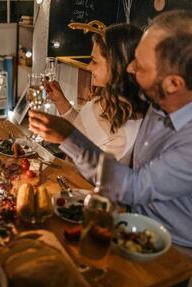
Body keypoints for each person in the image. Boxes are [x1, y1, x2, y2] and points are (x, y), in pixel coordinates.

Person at [29, 10, 192, 252]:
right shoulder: (156, 100)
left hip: (172, 247)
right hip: (129, 222)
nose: (129, 69)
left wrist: (68, 137)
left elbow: (132, 187)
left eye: (141, 65)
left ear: (173, 84)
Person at [45, 23, 147, 162]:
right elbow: (83, 131)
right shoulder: (106, 96)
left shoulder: (125, 133)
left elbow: (93, 177)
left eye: (94, 61)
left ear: (116, 66)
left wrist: (63, 137)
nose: (88, 66)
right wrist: (60, 101)